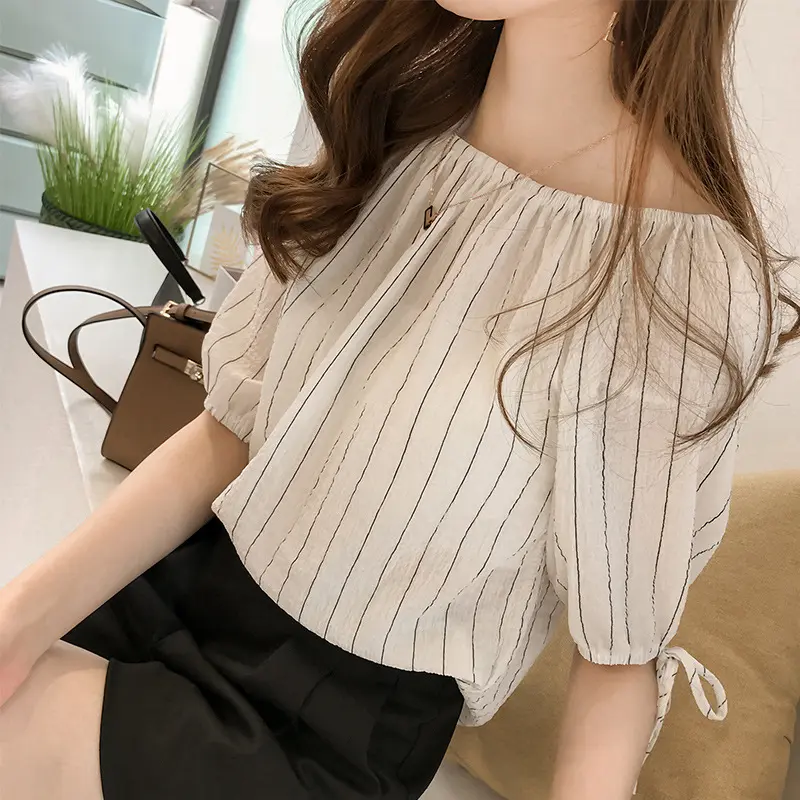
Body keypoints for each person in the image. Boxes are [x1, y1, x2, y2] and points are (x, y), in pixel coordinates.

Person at [0, 1, 796, 798]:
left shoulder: (676, 277)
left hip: (324, 728)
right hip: (175, 593)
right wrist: (20, 616)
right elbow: (230, 432)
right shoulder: (390, 123)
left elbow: (616, 654)